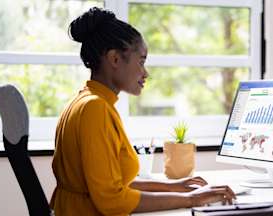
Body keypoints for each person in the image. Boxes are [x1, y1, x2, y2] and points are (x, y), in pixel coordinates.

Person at [50, 7, 236, 216]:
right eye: (141, 61)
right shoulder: (96, 109)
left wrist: (175, 187)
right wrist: (192, 199)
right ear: (115, 59)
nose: (145, 72)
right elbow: (111, 200)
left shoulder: (84, 101)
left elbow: (115, 184)